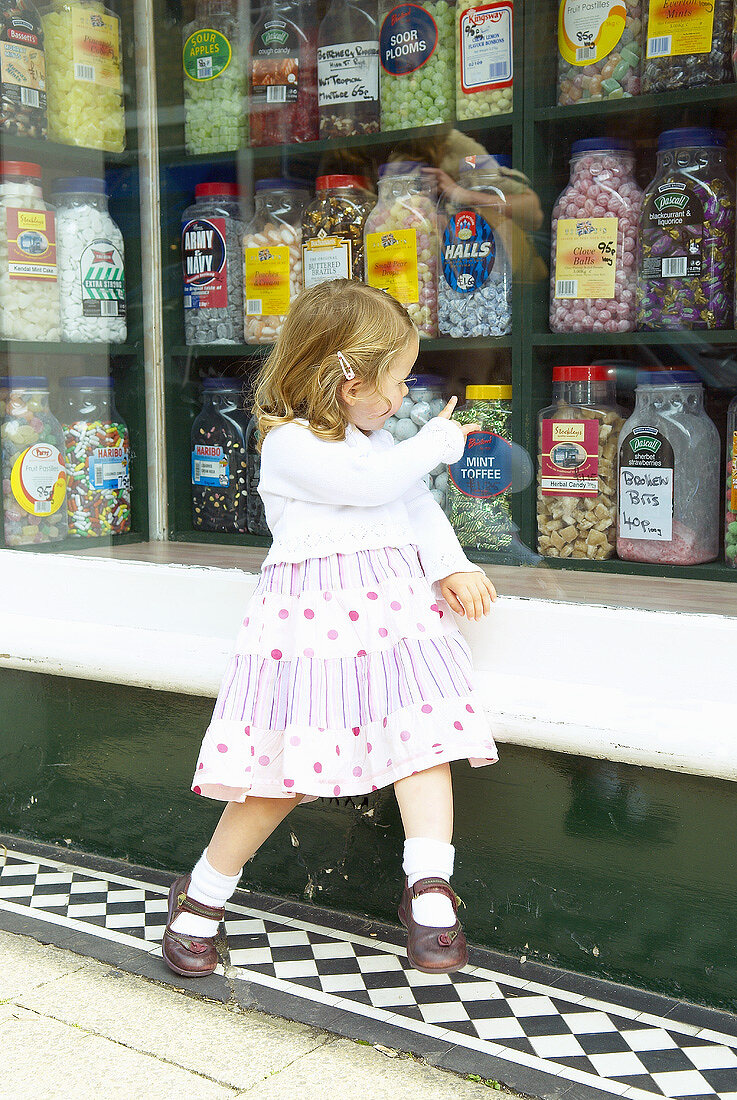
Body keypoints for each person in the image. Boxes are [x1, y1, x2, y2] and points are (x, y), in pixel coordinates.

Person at [162, 279, 499, 979]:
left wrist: (449, 566)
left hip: (392, 620)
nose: (403, 397)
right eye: (397, 380)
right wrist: (434, 443)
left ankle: (429, 887)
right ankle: (203, 895)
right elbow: (372, 489)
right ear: (349, 381)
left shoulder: (375, 447)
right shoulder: (289, 446)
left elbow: (413, 510)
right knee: (278, 778)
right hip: (313, 631)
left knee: (422, 743)